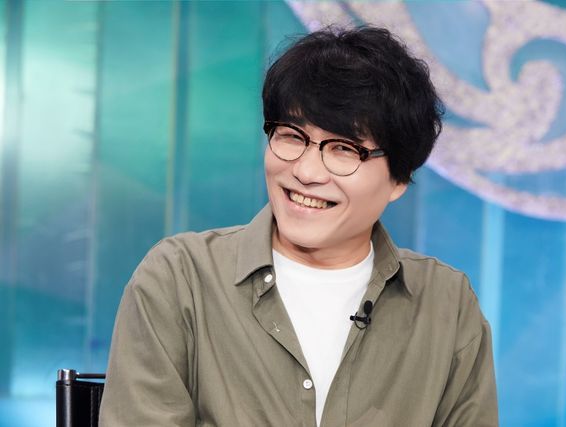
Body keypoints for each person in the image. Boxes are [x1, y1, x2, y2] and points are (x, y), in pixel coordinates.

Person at [99, 26, 498, 427]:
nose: (306, 172)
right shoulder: (180, 278)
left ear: (399, 178)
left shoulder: (446, 304)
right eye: (292, 136)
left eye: (344, 149)